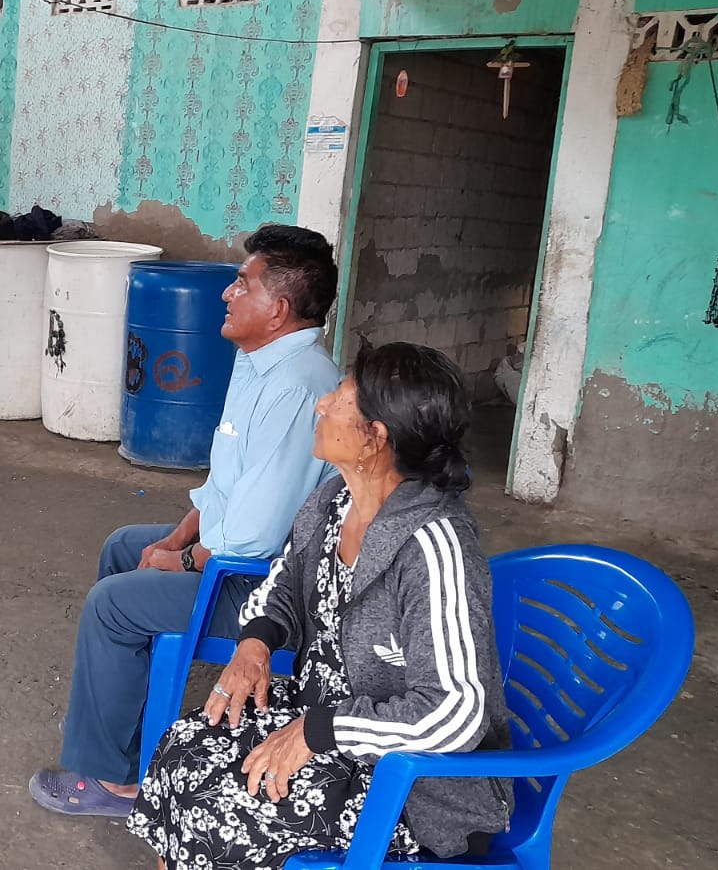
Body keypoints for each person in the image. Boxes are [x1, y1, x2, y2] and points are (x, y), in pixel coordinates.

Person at [128, 343, 513, 868]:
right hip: (323, 715)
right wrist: (255, 644)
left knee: (221, 810)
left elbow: (456, 713)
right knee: (183, 749)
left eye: (340, 398)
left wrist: (319, 732)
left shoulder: (433, 547)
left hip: (412, 784)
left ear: (376, 438)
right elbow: (282, 583)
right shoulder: (333, 500)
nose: (321, 404)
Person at [30, 226, 343, 817]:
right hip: (240, 558)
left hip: (267, 590)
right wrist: (175, 541)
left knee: (112, 605)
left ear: (277, 310)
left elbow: (254, 537)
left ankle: (116, 783)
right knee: (124, 546)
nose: (227, 293)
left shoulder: (298, 388)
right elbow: (225, 484)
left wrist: (183, 560)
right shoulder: (260, 362)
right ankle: (120, 724)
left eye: (242, 284)